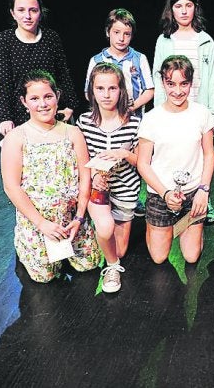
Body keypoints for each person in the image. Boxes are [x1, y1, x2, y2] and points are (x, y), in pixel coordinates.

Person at [0, 69, 101, 283]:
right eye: (34, 99)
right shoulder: (16, 137)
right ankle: (25, 243)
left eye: (48, 96)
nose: (43, 104)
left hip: (72, 219)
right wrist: (41, 224)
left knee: (90, 264)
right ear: (24, 102)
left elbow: (85, 178)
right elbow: (11, 186)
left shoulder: (73, 133)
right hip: (38, 222)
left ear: (57, 96)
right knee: (44, 277)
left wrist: (79, 217)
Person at [137, 55, 214, 265]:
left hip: (193, 193)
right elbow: (142, 163)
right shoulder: (151, 118)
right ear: (163, 82)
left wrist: (203, 191)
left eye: (184, 84)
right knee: (159, 257)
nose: (178, 91)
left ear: (191, 83)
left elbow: (209, 154)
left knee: (191, 256)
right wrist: (165, 193)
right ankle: (158, 227)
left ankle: (187, 227)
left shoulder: (202, 114)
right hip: (160, 194)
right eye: (171, 84)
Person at [152, 0, 214, 222]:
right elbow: (158, 77)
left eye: (188, 5)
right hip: (170, 109)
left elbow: (212, 78)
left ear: (195, 8)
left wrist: (213, 112)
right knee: (173, 154)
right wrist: (158, 112)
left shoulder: (205, 41)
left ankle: (203, 199)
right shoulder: (164, 41)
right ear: (171, 10)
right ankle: (171, 198)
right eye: (178, 6)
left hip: (198, 109)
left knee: (201, 156)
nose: (183, 11)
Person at [76, 63, 141, 293]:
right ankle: (112, 267)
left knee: (120, 249)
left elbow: (141, 162)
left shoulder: (133, 123)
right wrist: (94, 175)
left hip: (125, 188)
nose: (106, 95)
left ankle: (102, 240)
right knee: (105, 229)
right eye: (100, 88)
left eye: (112, 88)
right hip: (98, 188)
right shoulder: (84, 122)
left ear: (121, 90)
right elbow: (80, 159)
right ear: (92, 91)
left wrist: (124, 154)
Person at [0, 0, 79, 136]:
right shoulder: (4, 40)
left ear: (40, 13)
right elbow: (4, 82)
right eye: (21, 10)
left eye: (33, 10)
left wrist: (70, 105)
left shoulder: (51, 38)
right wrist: (5, 117)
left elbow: (63, 74)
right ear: (13, 13)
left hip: (50, 108)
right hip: (20, 110)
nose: (27, 16)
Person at [83, 8, 154, 118]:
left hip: (134, 117)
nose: (121, 38)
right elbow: (88, 92)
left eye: (127, 34)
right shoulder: (96, 60)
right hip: (105, 118)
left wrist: (132, 107)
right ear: (108, 32)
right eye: (116, 32)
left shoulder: (139, 58)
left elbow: (149, 90)